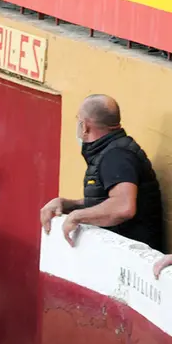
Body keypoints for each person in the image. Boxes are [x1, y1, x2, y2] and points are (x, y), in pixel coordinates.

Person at [40, 94, 165, 252]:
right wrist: (69, 205)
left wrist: (77, 217)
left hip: (130, 261)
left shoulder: (117, 156)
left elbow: (123, 206)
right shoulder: (111, 151)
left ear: (84, 126)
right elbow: (104, 200)